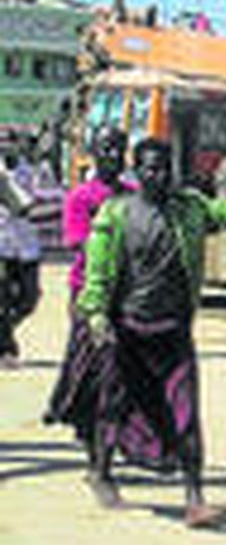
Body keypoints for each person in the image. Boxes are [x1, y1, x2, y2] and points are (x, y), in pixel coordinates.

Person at [75, 136, 226, 524]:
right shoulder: (115, 214)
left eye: (164, 168)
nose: (157, 176)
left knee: (187, 413)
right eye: (148, 168)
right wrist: (96, 316)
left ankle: (194, 496)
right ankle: (101, 472)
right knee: (115, 407)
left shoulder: (190, 209)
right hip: (127, 330)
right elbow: (96, 274)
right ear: (137, 171)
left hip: (174, 331)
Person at [46, 125, 133, 441]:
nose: (113, 156)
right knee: (88, 359)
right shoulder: (81, 197)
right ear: (94, 154)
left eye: (119, 149)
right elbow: (80, 243)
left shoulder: (132, 195)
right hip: (88, 288)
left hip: (127, 291)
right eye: (107, 148)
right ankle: (81, 418)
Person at [0, 147, 41, 368]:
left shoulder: (35, 171)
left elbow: (52, 199)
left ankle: (4, 330)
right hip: (1, 245)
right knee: (2, 300)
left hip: (28, 246)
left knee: (29, 300)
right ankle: (6, 347)